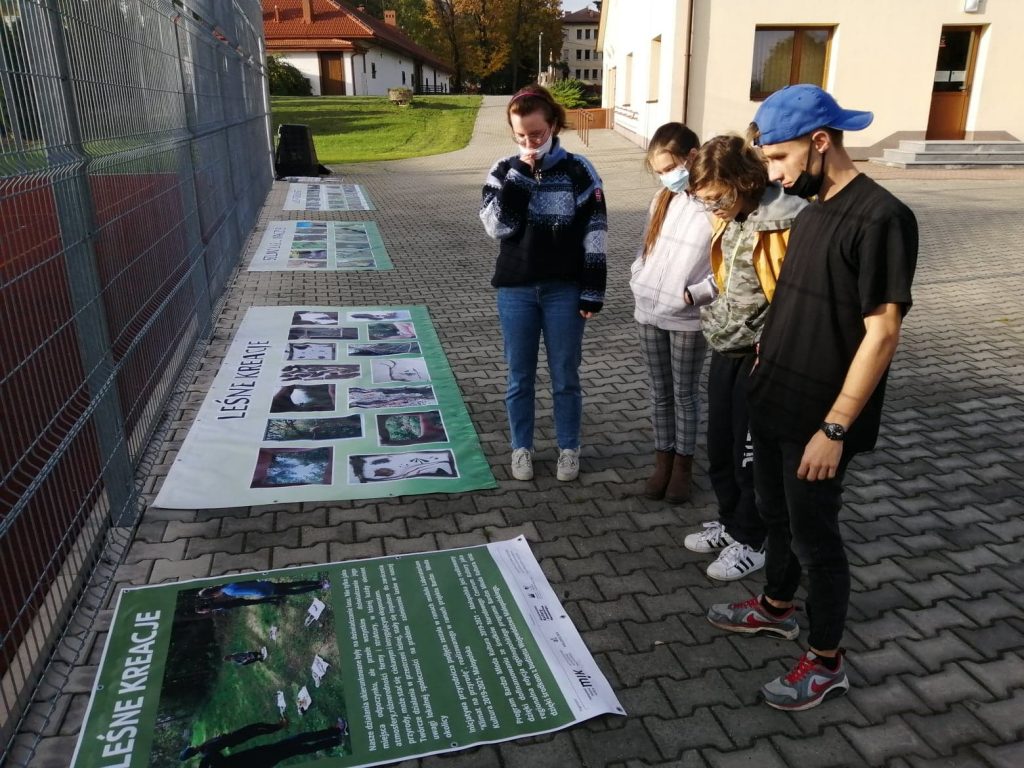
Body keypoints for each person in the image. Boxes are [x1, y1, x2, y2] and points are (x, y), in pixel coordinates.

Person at [706, 85, 918, 710]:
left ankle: (826, 661)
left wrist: (836, 428)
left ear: (820, 142)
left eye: (777, 158)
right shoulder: (811, 206)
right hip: (774, 395)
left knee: (814, 537)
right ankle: (774, 605)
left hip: (820, 417)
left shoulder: (881, 217)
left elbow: (882, 332)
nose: (771, 171)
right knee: (772, 514)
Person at [683, 135, 805, 581]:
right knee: (720, 447)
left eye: (716, 198)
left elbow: (793, 297)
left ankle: (753, 540)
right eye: (704, 201)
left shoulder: (784, 222)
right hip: (725, 347)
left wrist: (771, 349)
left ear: (741, 182)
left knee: (748, 454)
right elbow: (727, 278)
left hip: (761, 357)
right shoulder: (729, 219)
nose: (711, 208)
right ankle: (732, 524)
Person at [480, 84, 607, 483]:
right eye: (521, 135)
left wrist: (593, 289)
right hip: (516, 288)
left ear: (552, 124)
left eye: (536, 134)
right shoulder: (504, 170)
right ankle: (522, 447)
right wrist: (521, 174)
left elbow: (597, 230)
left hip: (564, 289)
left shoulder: (578, 170)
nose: (529, 141)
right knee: (519, 375)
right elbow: (497, 226)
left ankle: (569, 448)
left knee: (565, 374)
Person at [629, 123, 711, 502]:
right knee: (660, 393)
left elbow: (726, 267)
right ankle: (662, 461)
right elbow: (648, 248)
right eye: (659, 171)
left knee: (684, 393)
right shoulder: (663, 198)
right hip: (647, 311)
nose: (666, 177)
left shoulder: (716, 202)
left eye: (669, 168)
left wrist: (694, 295)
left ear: (692, 157)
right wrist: (639, 278)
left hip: (686, 318)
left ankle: (683, 465)